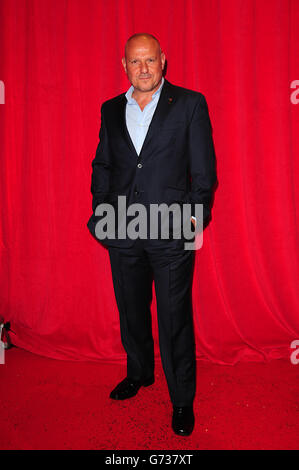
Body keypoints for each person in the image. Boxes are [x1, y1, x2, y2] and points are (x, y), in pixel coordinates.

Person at [87, 33, 216, 436]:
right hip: (121, 227)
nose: (143, 68)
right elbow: (103, 164)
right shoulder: (110, 109)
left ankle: (181, 400)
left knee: (174, 318)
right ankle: (140, 373)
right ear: (123, 66)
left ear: (163, 60)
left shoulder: (190, 104)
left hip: (172, 229)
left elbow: (204, 172)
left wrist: (193, 222)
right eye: (134, 62)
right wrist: (99, 214)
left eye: (149, 60)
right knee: (131, 311)